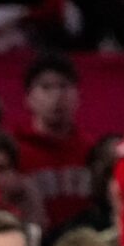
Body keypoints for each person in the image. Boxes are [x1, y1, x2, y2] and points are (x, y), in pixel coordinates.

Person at [17, 55, 95, 233]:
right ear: (28, 98)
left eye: (64, 86)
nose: (57, 96)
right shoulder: (15, 152)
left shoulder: (91, 151)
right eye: (46, 87)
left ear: (78, 96)